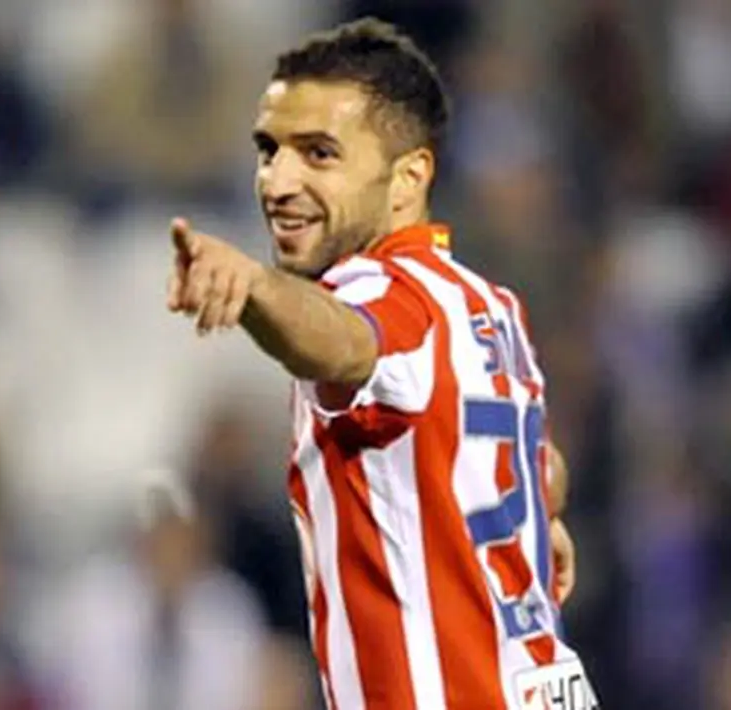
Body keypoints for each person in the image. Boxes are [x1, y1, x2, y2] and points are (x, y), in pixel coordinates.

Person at [167, 18, 596, 709]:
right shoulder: (490, 308)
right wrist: (529, 531)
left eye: (319, 155)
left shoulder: (378, 294)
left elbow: (346, 342)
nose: (278, 180)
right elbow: (539, 471)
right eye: (269, 150)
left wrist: (251, 287)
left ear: (407, 179)